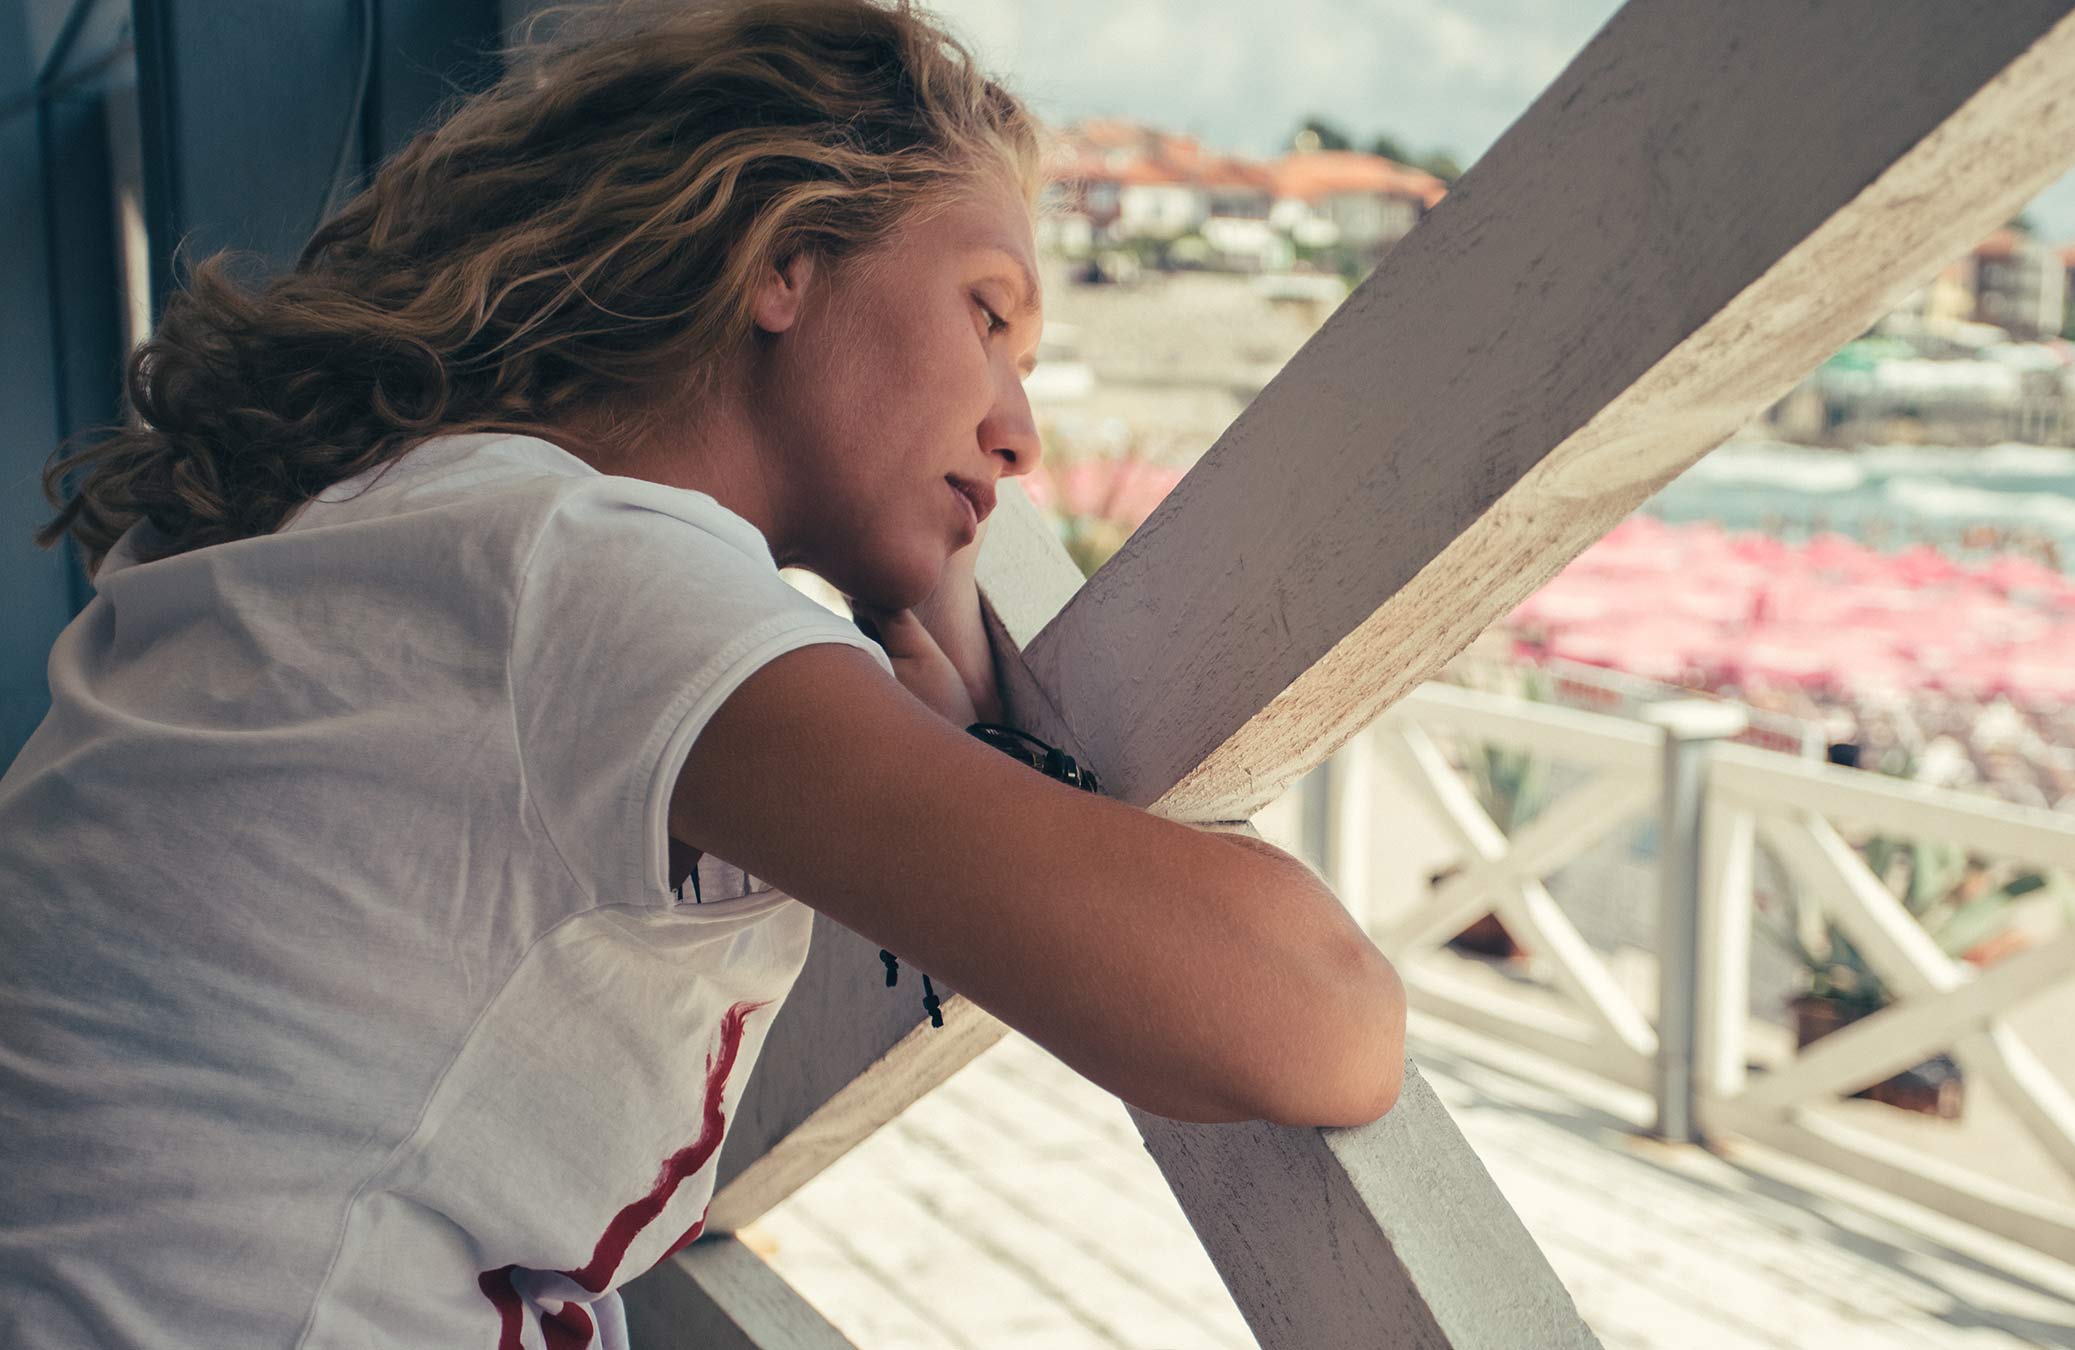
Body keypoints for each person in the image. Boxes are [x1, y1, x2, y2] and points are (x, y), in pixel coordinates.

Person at [0, 4, 1405, 1346]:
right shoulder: (595, 577)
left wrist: (919, 618)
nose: (1019, 428)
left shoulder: (422, 527)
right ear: (784, 263)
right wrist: (952, 666)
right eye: (989, 315)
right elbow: (1314, 1012)